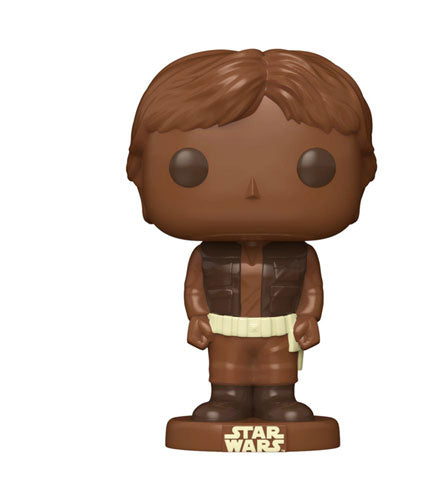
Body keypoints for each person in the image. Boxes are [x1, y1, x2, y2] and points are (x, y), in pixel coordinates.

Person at [127, 49, 376, 422]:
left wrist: (309, 317)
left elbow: (312, 290)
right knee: (227, 368)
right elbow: (195, 289)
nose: (252, 189)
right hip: (226, 330)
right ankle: (227, 396)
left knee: (278, 368)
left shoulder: (301, 256)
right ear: (138, 172)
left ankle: (278, 397)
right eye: (191, 167)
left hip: (279, 328)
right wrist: (197, 316)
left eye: (314, 168)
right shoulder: (207, 256)